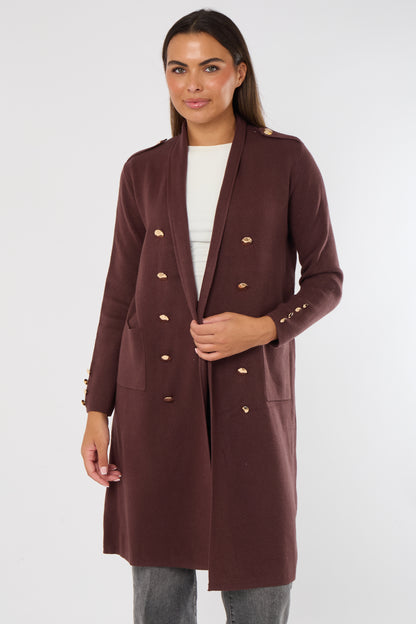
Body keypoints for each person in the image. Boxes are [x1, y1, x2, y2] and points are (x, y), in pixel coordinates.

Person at [81, 8, 343, 624]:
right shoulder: (143, 169)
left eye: (210, 67)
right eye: (178, 69)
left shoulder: (286, 160)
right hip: (154, 396)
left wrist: (264, 328)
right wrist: (97, 410)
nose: (192, 84)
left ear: (239, 73)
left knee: (258, 576)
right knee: (158, 589)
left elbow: (326, 280)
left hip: (249, 395)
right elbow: (119, 297)